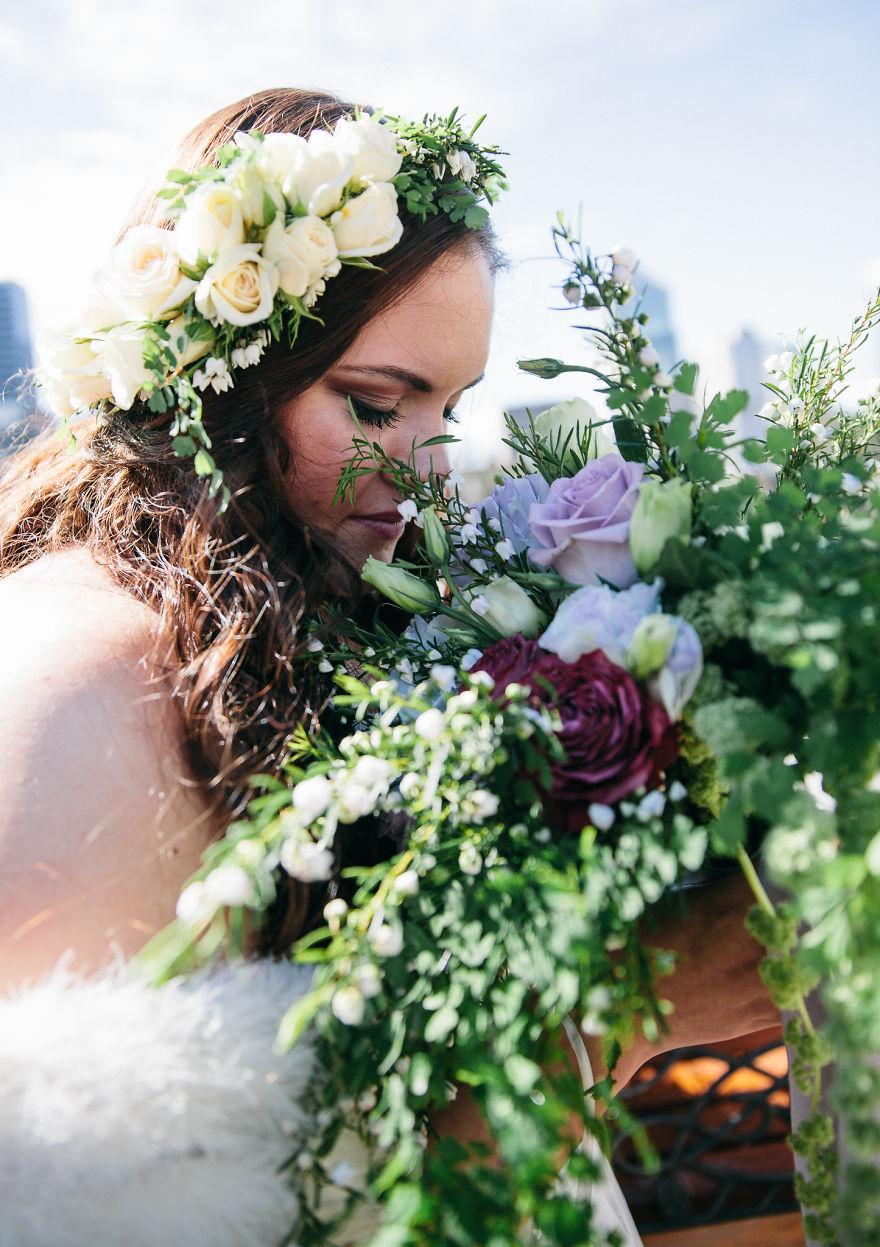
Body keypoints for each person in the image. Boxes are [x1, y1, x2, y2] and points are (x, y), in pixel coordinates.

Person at [0, 88, 774, 1247]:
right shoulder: (97, 684)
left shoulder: (279, 607)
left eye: (448, 409)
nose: (422, 475)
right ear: (214, 374)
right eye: (373, 403)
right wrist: (615, 1011)